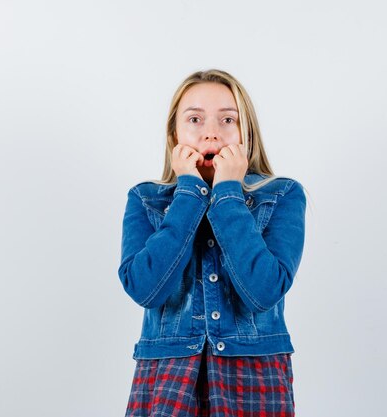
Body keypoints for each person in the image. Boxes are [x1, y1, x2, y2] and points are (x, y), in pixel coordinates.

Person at [118, 69, 307, 417]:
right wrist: (189, 191)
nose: (211, 133)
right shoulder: (146, 199)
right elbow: (145, 289)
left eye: (227, 120)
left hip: (254, 373)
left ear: (246, 133)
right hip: (166, 375)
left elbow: (263, 292)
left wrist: (227, 193)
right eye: (194, 119)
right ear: (175, 133)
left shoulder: (281, 194)